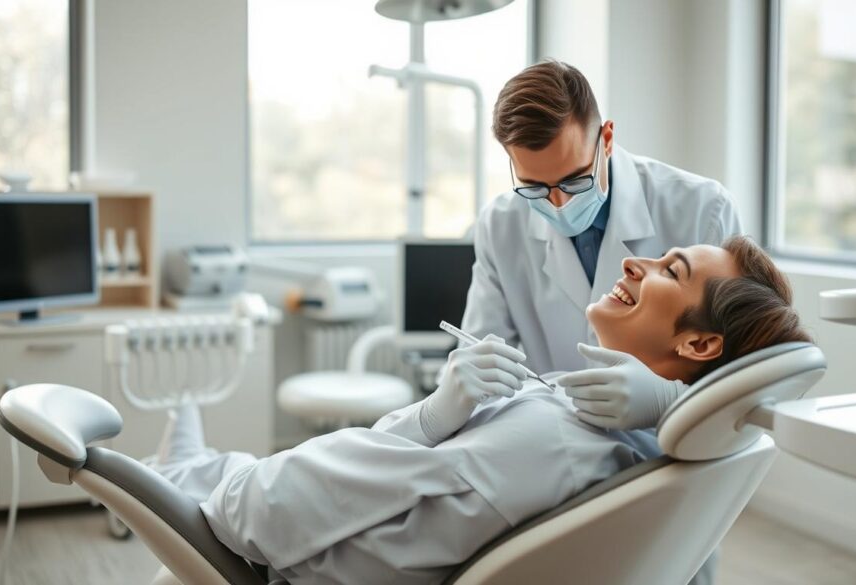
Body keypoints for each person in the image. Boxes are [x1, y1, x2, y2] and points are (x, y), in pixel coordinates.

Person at [154, 237, 811, 585]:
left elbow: (278, 515)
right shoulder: (627, 442)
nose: (635, 262)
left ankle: (186, 469)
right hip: (323, 518)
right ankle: (195, 464)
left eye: (671, 267)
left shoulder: (555, 437)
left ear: (697, 343)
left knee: (205, 480)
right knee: (226, 467)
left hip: (282, 554)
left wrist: (228, 491)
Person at [462, 60, 742, 432]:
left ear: (606, 139)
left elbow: (743, 369)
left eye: (575, 181)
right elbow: (481, 356)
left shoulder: (702, 208)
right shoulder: (500, 225)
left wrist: (667, 399)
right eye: (534, 188)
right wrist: (459, 392)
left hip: (670, 442)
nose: (559, 203)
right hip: (553, 440)